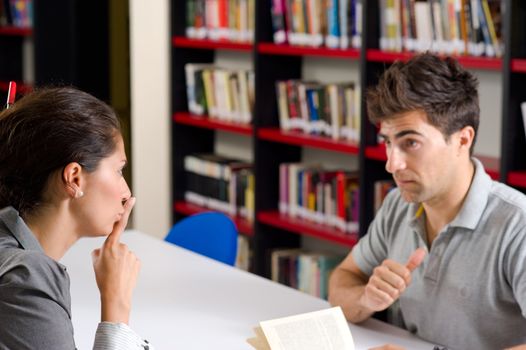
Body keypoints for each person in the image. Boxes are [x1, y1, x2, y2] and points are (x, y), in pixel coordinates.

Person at [328, 53, 526, 349]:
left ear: (462, 140)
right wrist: (365, 298)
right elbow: (341, 282)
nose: (392, 164)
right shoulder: (398, 204)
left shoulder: (517, 224)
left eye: (411, 142)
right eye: (388, 143)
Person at [0, 87, 154, 349]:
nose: (127, 193)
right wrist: (116, 303)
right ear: (74, 178)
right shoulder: (26, 280)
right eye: (119, 171)